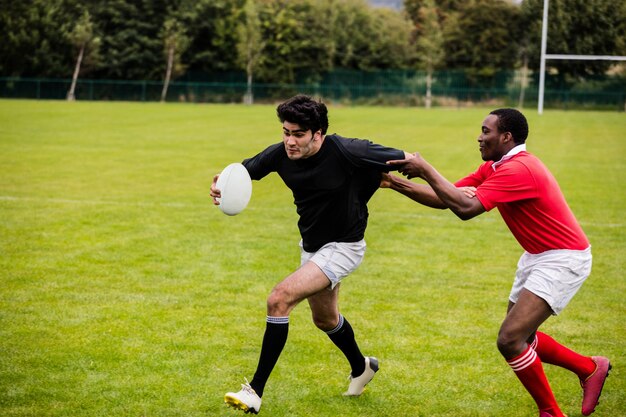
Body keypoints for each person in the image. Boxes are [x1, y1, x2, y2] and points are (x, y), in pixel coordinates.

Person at [383, 108, 611, 417]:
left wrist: (424, 167)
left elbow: (466, 208)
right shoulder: (496, 166)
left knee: (510, 339)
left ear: (506, 137)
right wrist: (394, 183)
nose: (480, 136)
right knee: (523, 337)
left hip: (563, 258)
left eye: (486, 131)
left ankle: (551, 413)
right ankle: (588, 368)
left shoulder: (519, 169)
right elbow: (447, 197)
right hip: (538, 255)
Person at [211, 94, 410, 414]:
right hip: (313, 247)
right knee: (325, 319)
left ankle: (254, 391)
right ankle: (362, 366)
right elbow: (243, 171)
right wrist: (221, 182)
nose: (290, 141)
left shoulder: (347, 149)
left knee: (279, 298)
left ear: (318, 134)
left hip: (345, 246)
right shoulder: (280, 155)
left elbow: (409, 159)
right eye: (286, 132)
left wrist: (453, 189)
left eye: (298, 134)